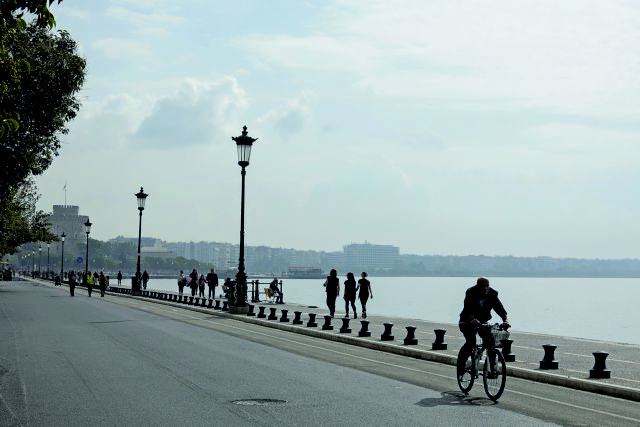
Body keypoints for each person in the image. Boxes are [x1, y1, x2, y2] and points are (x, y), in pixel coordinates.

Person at [457, 277, 510, 376]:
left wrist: (505, 321)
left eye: (487, 286)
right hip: (467, 321)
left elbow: (500, 308)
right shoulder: (470, 292)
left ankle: (492, 368)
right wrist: (472, 319)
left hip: (483, 321)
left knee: (489, 341)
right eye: (483, 286)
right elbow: (468, 307)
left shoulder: (492, 294)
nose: (485, 288)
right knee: (471, 342)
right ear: (477, 286)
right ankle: (461, 366)